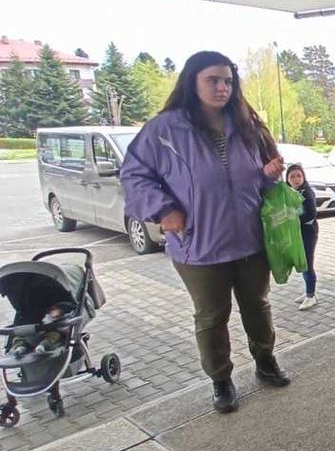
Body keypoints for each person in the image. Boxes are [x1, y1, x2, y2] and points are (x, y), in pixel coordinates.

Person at [121, 51, 291, 414]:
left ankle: (265, 361)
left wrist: (268, 174)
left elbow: (252, 179)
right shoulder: (165, 130)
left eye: (228, 81)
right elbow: (134, 176)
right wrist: (164, 209)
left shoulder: (245, 123)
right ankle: (221, 379)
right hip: (199, 245)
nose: (222, 88)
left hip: (250, 241)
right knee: (212, 316)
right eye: (213, 80)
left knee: (257, 307)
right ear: (192, 82)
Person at [286, 163, 319, 311]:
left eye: (299, 175)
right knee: (301, 261)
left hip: (308, 232)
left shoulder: (307, 192)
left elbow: (311, 214)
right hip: (297, 233)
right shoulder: (288, 192)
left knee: (307, 263)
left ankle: (311, 295)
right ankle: (308, 291)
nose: (296, 179)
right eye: (292, 176)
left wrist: (292, 220)